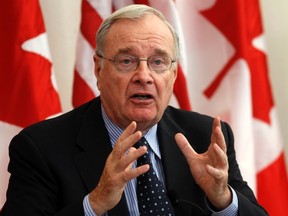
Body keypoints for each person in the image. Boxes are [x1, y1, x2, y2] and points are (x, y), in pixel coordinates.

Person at [1, 4, 267, 216]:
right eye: (127, 61)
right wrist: (93, 205)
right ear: (98, 69)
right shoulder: (41, 148)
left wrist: (223, 200)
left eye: (158, 62)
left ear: (173, 73)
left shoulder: (204, 137)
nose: (144, 76)